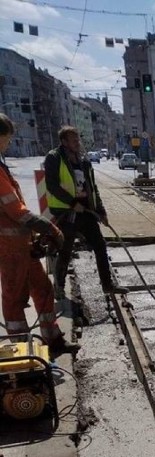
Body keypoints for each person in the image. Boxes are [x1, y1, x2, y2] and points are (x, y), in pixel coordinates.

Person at [0, 113, 79, 359]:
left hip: (21, 243)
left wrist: (35, 233)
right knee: (14, 297)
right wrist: (48, 227)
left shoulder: (1, 166)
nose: (9, 143)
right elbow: (15, 209)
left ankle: (52, 340)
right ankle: (23, 353)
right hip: (8, 246)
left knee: (43, 289)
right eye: (7, 138)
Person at [44, 126, 127, 297]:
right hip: (66, 213)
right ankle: (59, 287)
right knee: (65, 250)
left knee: (100, 245)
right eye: (73, 140)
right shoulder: (54, 158)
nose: (77, 143)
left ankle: (107, 285)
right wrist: (72, 203)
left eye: (77, 139)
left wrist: (101, 211)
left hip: (87, 211)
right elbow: (52, 185)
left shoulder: (84, 161)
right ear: (64, 142)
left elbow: (93, 188)